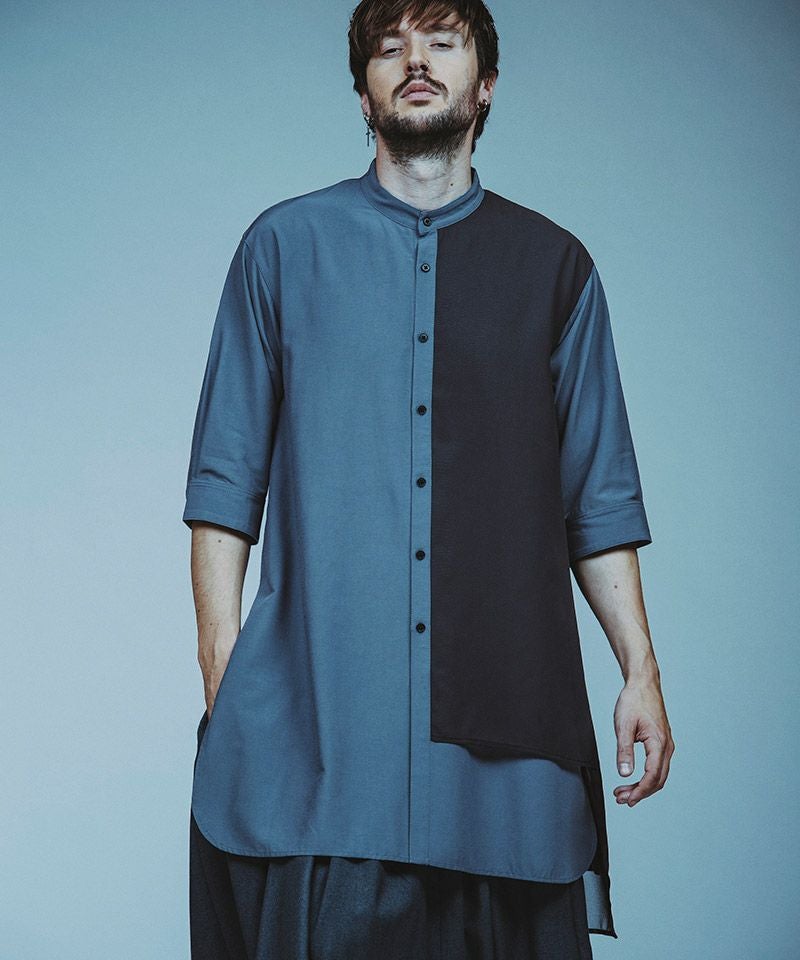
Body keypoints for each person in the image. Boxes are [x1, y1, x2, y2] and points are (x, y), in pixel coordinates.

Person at [182, 1, 675, 957]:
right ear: (363, 95)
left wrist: (641, 671)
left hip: (507, 775)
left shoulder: (557, 270)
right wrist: (223, 678)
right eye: (388, 47)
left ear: (484, 85)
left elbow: (598, 499)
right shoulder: (281, 250)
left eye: (442, 43)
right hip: (326, 756)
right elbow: (223, 487)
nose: (414, 60)